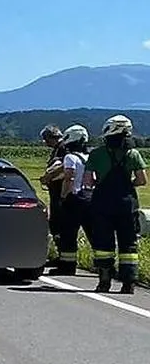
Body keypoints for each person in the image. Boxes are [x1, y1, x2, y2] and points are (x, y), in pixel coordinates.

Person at [84, 114, 146, 294]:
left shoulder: (97, 154)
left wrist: (100, 183)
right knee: (128, 245)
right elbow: (142, 180)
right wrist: (127, 184)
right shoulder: (133, 154)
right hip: (127, 204)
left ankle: (104, 281)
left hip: (103, 203)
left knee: (104, 243)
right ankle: (129, 283)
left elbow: (88, 182)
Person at [51, 124, 93, 276]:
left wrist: (63, 197)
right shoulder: (89, 157)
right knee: (93, 233)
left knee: (68, 234)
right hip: (89, 199)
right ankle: (104, 266)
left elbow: (69, 177)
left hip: (74, 199)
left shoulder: (70, 157)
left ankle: (67, 267)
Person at [39, 125, 67, 262]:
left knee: (58, 223)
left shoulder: (62, 149)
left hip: (60, 193)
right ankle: (61, 253)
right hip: (56, 192)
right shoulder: (58, 149)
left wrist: (48, 177)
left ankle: (64, 254)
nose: (45, 142)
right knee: (55, 223)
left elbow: (62, 168)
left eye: (46, 139)